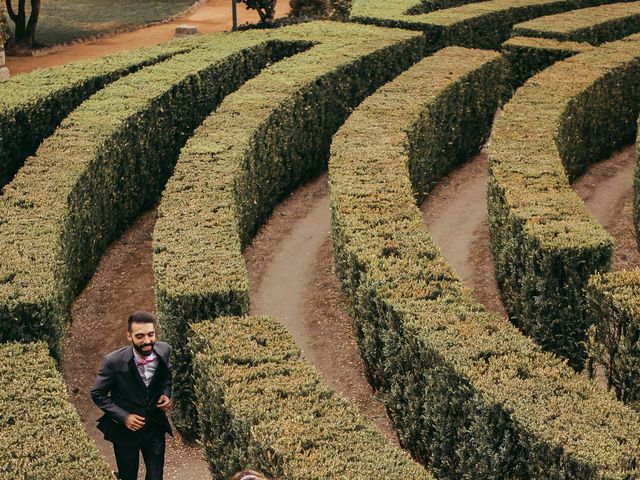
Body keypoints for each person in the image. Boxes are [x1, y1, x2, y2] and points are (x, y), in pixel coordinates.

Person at [91, 311, 173, 480]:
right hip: (125, 432)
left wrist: (165, 394)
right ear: (129, 336)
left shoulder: (164, 350)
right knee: (128, 476)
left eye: (151, 334)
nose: (147, 341)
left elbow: (166, 376)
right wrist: (124, 417)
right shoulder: (113, 362)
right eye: (140, 336)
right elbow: (98, 394)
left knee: (156, 477)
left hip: (154, 427)